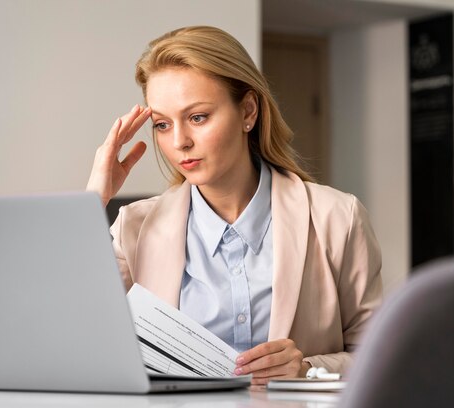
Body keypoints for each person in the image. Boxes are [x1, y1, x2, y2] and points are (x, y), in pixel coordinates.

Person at [87, 26, 382, 386]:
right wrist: (92, 202)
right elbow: (73, 336)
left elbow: (383, 356)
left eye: (197, 117)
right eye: (162, 124)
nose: (179, 142)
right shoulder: (133, 228)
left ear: (248, 111)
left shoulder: (337, 217)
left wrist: (305, 368)